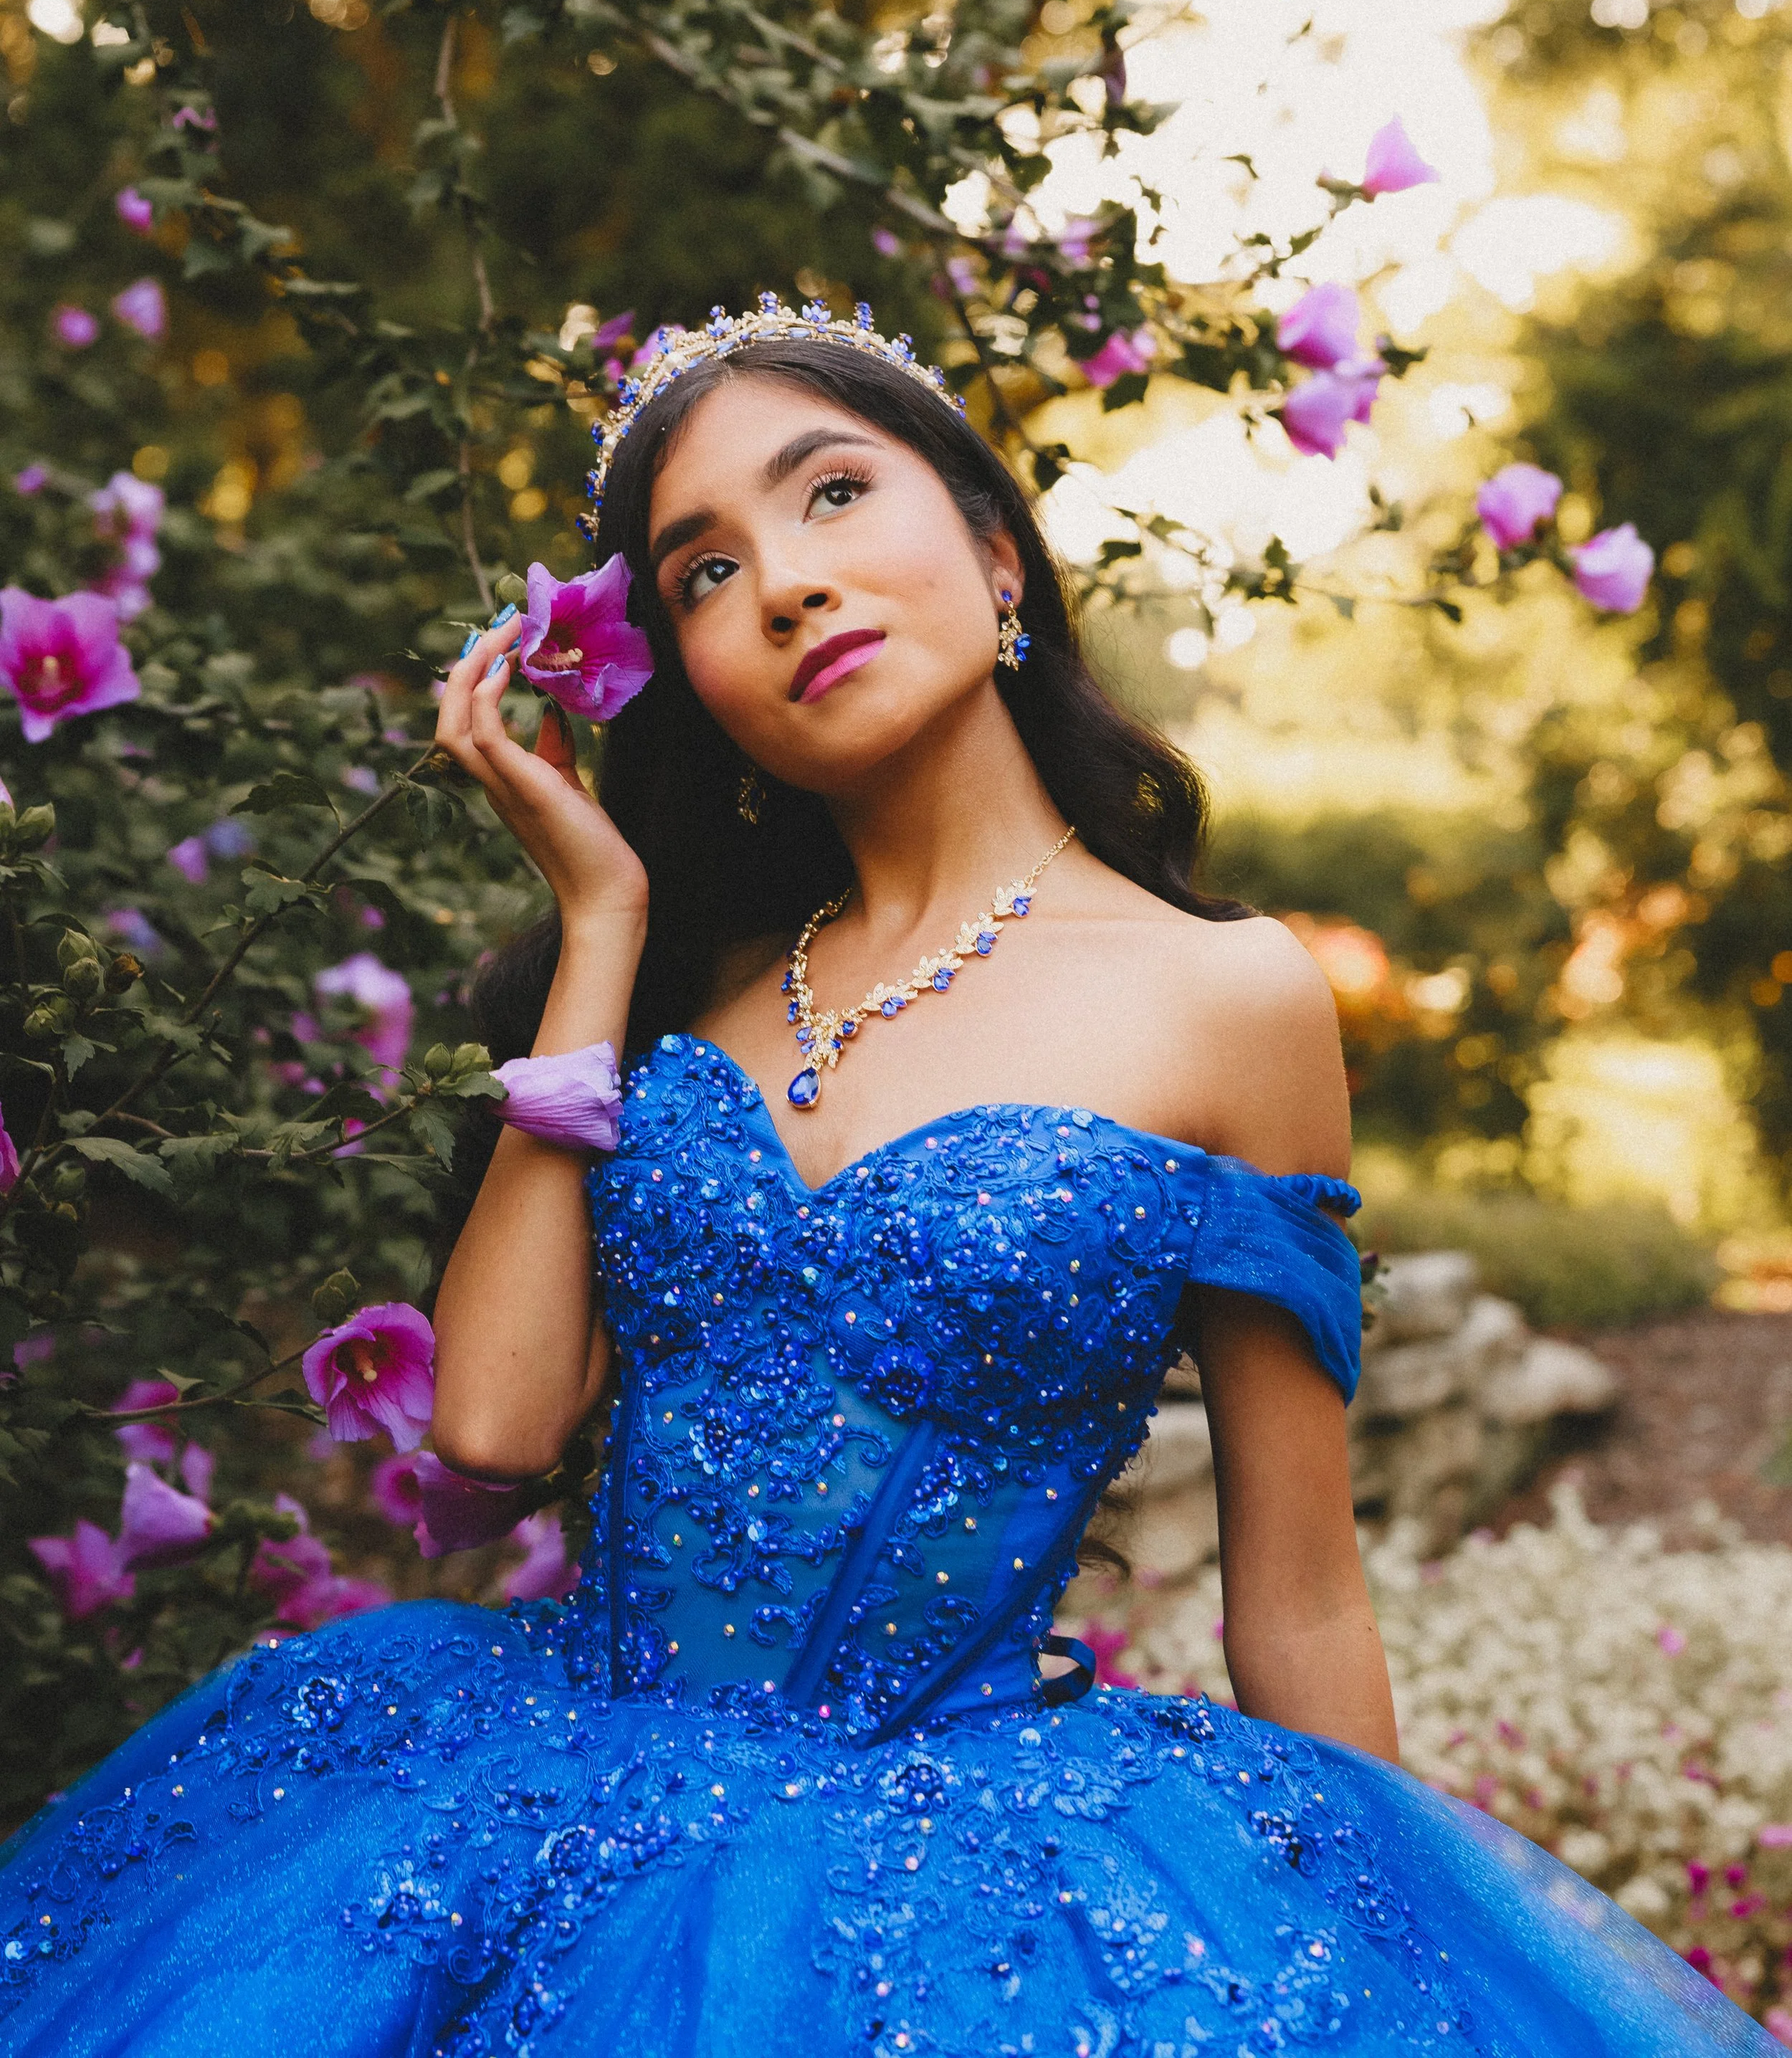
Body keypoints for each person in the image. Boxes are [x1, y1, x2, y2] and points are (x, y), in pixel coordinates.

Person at [0, 300, 1772, 2056]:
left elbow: (1297, 1592)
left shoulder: (1228, 998)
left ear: (995, 551)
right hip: (530, 1804)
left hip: (973, 1890)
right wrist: (600, 928)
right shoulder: (675, 978)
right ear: (686, 677)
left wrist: (1403, 1985)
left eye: (830, 492)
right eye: (699, 571)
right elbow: (491, 1423)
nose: (779, 581)